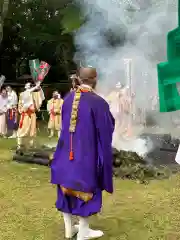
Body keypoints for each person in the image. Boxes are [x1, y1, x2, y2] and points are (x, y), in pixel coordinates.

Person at [51, 67, 115, 239]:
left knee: (66, 188)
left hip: (65, 153)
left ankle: (69, 229)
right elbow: (107, 129)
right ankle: (84, 231)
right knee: (86, 189)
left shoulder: (68, 98)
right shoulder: (98, 103)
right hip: (86, 155)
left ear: (79, 79)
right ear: (95, 80)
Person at [17, 81, 45, 149]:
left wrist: (39, 88)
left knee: (32, 130)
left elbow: (42, 97)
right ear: (25, 86)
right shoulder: (22, 94)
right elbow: (20, 105)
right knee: (23, 129)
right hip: (25, 114)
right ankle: (20, 144)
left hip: (32, 114)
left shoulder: (34, 94)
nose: (29, 86)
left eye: (30, 85)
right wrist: (22, 110)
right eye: (28, 85)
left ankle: (31, 145)